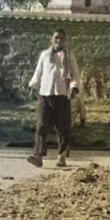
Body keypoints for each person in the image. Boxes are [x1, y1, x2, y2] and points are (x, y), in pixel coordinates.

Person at [27, 29, 79, 169]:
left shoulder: (69, 56)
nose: (58, 41)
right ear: (52, 39)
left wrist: (73, 88)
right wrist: (33, 85)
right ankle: (38, 156)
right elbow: (39, 72)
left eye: (61, 38)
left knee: (63, 127)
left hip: (62, 95)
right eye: (56, 38)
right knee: (42, 125)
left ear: (64, 40)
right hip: (45, 94)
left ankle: (61, 156)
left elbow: (75, 74)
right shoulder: (44, 55)